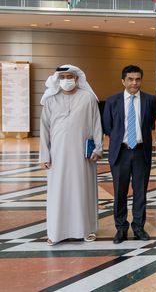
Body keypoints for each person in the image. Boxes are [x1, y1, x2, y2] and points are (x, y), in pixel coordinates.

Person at [40, 65, 103, 246]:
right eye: (63, 76)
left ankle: (86, 230)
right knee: (57, 193)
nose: (66, 80)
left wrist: (97, 148)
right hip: (57, 156)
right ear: (58, 79)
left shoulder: (88, 98)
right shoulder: (51, 100)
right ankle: (55, 232)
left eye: (70, 76)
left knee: (82, 191)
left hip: (82, 156)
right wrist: (45, 155)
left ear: (77, 79)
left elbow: (96, 124)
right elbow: (44, 128)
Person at [102, 64, 156, 244]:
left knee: (140, 192)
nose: (134, 83)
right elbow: (108, 127)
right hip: (121, 152)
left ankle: (139, 227)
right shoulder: (112, 101)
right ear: (123, 81)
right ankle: (121, 228)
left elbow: (150, 125)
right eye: (131, 79)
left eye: (138, 79)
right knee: (120, 192)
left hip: (141, 152)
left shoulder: (149, 100)